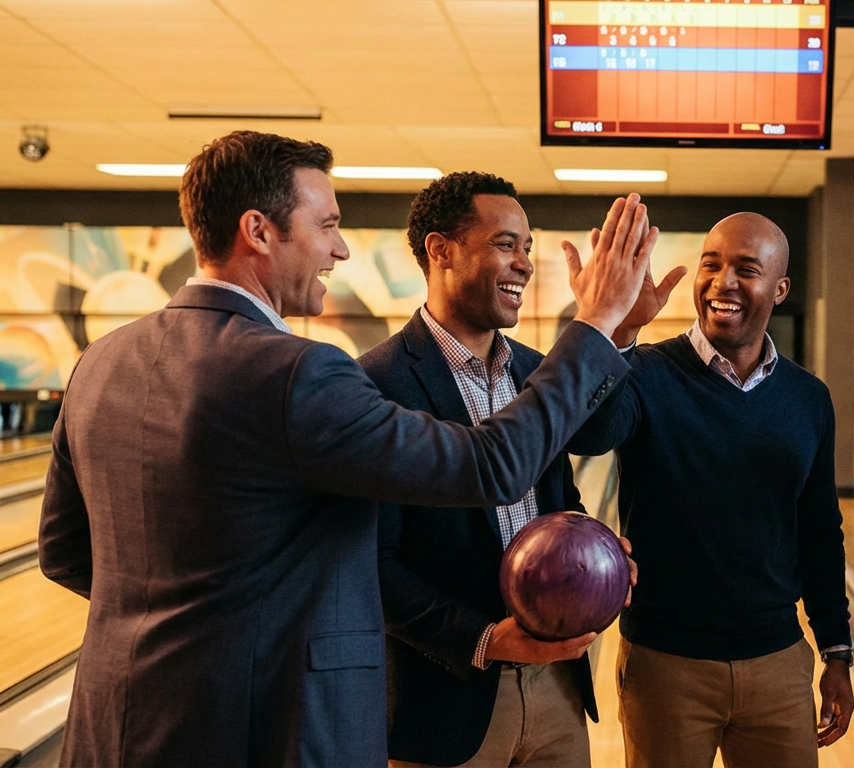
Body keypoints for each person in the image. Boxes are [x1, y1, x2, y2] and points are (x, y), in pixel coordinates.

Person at [37, 130, 654, 767]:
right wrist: (595, 323)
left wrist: (202, 624)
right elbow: (490, 465)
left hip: (118, 720)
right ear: (259, 230)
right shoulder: (300, 373)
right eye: (326, 224)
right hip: (269, 727)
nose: (340, 246)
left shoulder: (101, 362)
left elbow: (64, 553)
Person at [359, 171, 680, 768]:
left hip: (557, 689)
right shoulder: (377, 383)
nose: (525, 264)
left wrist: (595, 551)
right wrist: (482, 640)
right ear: (441, 250)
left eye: (528, 247)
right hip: (448, 696)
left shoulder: (536, 371)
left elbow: (598, 439)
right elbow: (371, 565)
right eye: (506, 244)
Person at [569, 212, 854, 768]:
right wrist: (619, 334)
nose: (723, 282)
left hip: (777, 659)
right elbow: (589, 436)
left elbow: (820, 531)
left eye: (746, 269)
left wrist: (837, 652)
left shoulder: (809, 398)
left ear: (780, 288)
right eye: (711, 264)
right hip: (665, 662)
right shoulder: (645, 373)